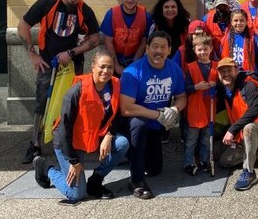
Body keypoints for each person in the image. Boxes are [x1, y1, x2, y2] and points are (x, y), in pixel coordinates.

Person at [17, 0, 100, 164]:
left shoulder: (84, 10)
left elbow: (94, 38)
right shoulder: (46, 4)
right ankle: (35, 144)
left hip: (74, 65)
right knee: (42, 103)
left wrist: (72, 52)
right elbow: (23, 26)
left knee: (73, 103)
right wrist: (33, 55)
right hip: (47, 64)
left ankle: (69, 141)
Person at [32, 51, 129, 202]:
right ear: (93, 67)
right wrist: (74, 161)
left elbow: (115, 114)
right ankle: (45, 167)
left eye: (110, 67)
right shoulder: (76, 91)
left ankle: (96, 180)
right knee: (75, 194)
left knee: (122, 143)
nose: (106, 71)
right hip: (69, 142)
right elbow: (64, 128)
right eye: (102, 67)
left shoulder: (115, 84)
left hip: (94, 134)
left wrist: (109, 135)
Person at [119, 31, 186, 199]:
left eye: (163, 47)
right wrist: (156, 115)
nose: (159, 51)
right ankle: (136, 181)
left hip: (156, 126)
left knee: (155, 169)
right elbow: (125, 108)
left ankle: (131, 153)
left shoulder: (174, 69)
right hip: (134, 123)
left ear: (169, 50)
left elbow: (182, 97)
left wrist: (175, 110)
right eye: (155, 46)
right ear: (147, 48)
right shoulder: (132, 71)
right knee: (139, 125)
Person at [216, 58, 258, 191]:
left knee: (249, 128)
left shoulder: (248, 85)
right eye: (222, 71)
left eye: (229, 70)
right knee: (224, 162)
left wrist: (232, 130)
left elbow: (254, 110)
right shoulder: (224, 89)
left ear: (237, 70)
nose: (226, 74)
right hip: (242, 134)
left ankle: (249, 172)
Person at [183, 35, 218, 175]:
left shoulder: (216, 66)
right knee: (191, 139)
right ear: (194, 50)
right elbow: (186, 88)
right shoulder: (190, 68)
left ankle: (205, 160)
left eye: (205, 49)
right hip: (195, 110)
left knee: (206, 138)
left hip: (209, 108)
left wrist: (217, 84)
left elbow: (222, 86)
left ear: (210, 49)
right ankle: (189, 162)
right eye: (199, 50)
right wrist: (196, 87)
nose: (203, 52)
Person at [100, 0, 152, 76]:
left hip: (135, 58)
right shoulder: (111, 14)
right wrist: (116, 66)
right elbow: (108, 42)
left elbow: (144, 42)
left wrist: (134, 64)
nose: (130, 0)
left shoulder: (146, 16)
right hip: (114, 57)